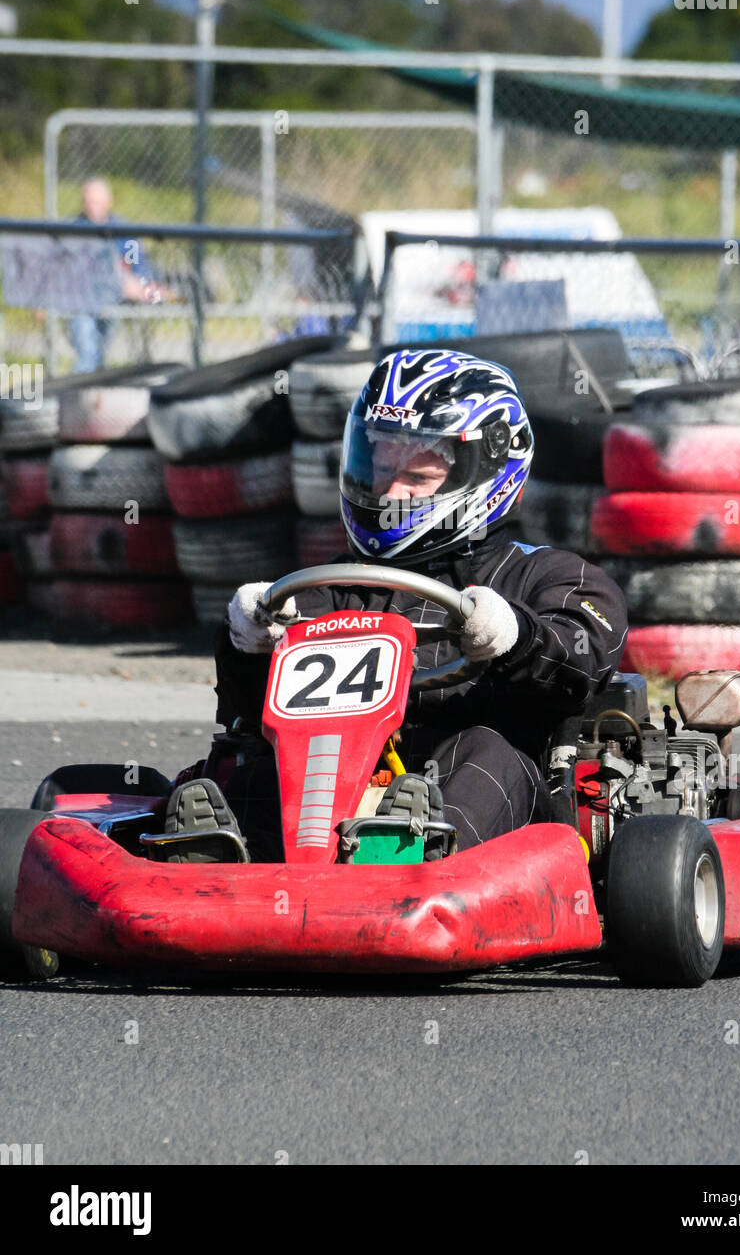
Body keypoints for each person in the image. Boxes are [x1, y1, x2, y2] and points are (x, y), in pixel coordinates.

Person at [163, 348, 628, 861]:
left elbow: (583, 660)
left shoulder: (547, 575)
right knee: (257, 761)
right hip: (334, 786)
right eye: (380, 468)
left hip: (488, 800)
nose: (388, 493)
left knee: (486, 750)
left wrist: (515, 635)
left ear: (488, 475)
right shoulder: (330, 585)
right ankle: (212, 863)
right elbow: (249, 712)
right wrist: (247, 644)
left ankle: (414, 856)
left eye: (416, 477)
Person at [67, 179, 161, 373]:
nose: (91, 207)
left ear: (108, 203)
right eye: (88, 202)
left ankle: (94, 382)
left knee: (99, 350)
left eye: (97, 202)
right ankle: (79, 389)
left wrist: (142, 286)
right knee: (88, 352)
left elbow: (138, 267)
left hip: (115, 301)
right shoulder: (74, 229)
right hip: (82, 301)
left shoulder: (123, 231)